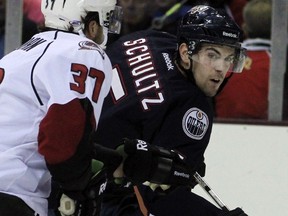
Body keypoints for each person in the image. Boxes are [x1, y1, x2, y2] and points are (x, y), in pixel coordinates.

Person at [94, 5, 248, 216]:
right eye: (212, 55)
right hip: (98, 193)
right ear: (186, 53)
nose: (221, 68)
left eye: (229, 58)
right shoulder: (192, 108)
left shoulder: (153, 39)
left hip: (56, 156)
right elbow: (161, 196)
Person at [0, 0, 122, 216]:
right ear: (92, 25)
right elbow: (62, 143)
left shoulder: (19, 54)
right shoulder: (85, 52)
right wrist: (80, 186)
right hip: (11, 193)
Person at [214, 0, 272, 120]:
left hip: (219, 131)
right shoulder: (277, 63)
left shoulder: (223, 60)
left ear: (244, 27)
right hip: (268, 133)